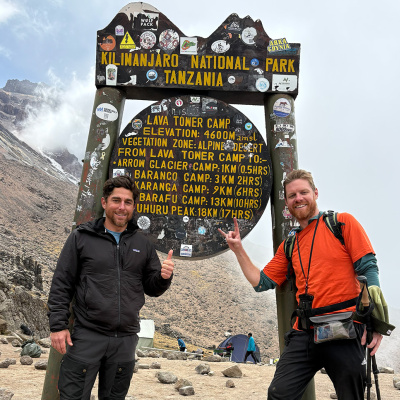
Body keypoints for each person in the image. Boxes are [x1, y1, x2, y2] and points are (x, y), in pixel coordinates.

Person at [218, 169, 390, 400]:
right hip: (305, 333)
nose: (298, 198)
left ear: (315, 193)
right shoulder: (290, 244)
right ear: (287, 202)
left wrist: (377, 322)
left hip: (346, 330)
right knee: (279, 393)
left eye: (303, 192)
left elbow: (368, 267)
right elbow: (262, 282)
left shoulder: (341, 223)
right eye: (292, 195)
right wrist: (238, 249)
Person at [47, 176, 174, 400]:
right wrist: (57, 326)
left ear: (133, 207)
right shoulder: (81, 237)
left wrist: (164, 277)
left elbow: (152, 288)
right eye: (116, 200)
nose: (122, 207)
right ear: (105, 203)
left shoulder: (142, 244)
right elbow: (61, 283)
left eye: (127, 202)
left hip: (125, 341)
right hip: (87, 336)